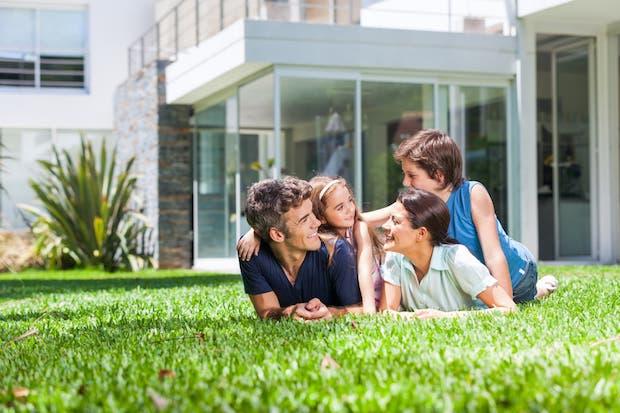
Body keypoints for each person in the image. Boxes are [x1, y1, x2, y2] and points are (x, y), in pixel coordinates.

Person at [364, 129, 557, 304]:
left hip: (517, 275)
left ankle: (538, 290)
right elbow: (371, 218)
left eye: (412, 175)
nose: (406, 182)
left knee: (515, 300)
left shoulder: (473, 194)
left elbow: (494, 255)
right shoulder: (416, 203)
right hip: (476, 280)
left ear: (438, 176)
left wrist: (504, 303)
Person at [238, 176, 384, 313]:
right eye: (304, 219)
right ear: (276, 235)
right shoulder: (250, 251)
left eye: (312, 213)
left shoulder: (338, 248)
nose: (317, 223)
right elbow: (267, 312)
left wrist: (332, 313)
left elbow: (361, 309)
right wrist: (290, 313)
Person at [380, 188, 517, 318]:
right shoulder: (395, 257)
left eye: (395, 221)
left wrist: (445, 317)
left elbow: (509, 309)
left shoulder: (458, 259)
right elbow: (386, 313)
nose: (384, 226)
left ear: (421, 233)